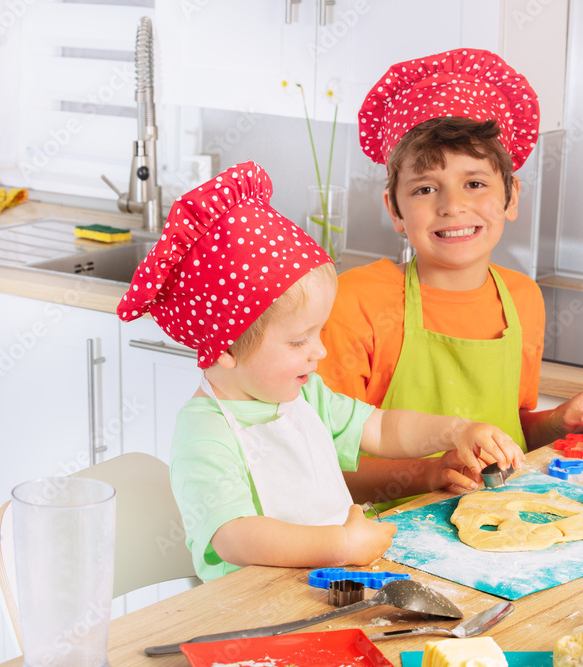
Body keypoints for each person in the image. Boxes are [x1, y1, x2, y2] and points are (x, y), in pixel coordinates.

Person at [117, 161, 523, 582]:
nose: (320, 351)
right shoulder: (205, 432)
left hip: (327, 585)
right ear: (227, 349)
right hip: (251, 615)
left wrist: (455, 430)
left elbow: (382, 429)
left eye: (319, 333)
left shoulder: (305, 397)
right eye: (299, 341)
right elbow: (233, 536)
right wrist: (340, 545)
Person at [319, 49, 583, 508]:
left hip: (499, 523)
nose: (452, 206)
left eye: (475, 183)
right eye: (425, 188)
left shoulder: (522, 298)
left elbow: (508, 429)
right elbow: (322, 464)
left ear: (511, 196)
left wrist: (558, 424)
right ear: (394, 209)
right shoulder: (357, 302)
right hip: (379, 543)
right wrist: (427, 473)